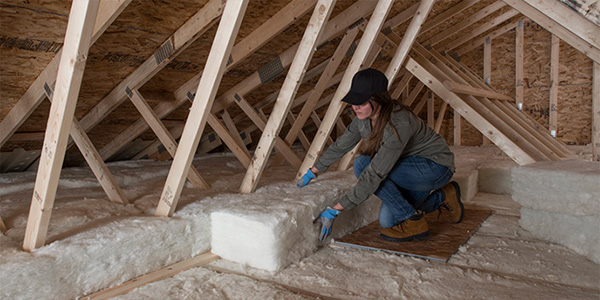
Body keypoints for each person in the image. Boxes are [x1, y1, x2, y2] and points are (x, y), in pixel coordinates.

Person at [297, 68, 464, 243]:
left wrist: (336, 210)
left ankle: (414, 221)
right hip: (406, 168)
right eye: (354, 101)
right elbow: (341, 145)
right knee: (388, 221)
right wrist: (314, 171)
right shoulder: (362, 118)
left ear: (378, 100)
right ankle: (444, 196)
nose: (355, 107)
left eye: (361, 102)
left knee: (362, 164)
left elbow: (375, 174)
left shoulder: (398, 123)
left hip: (433, 167)